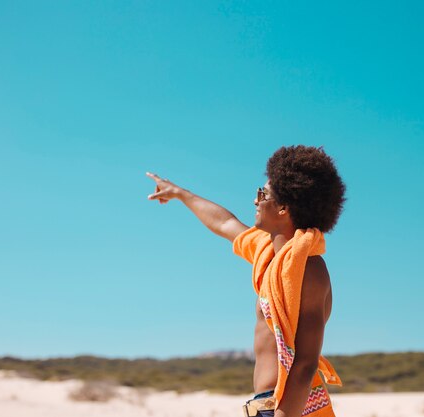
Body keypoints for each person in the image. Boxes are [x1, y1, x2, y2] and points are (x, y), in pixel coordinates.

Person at [146, 145, 346, 417]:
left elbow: (305, 363)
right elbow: (225, 224)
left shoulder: (309, 269)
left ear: (284, 207)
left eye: (262, 194)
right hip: (263, 405)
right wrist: (181, 194)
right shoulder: (269, 254)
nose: (256, 200)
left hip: (286, 408)